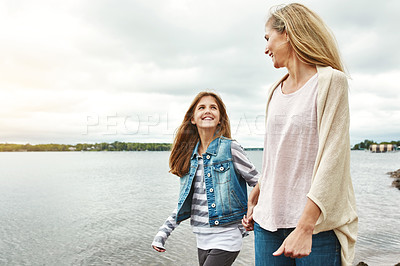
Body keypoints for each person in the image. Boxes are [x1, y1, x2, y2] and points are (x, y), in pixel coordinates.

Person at [242, 3, 358, 266]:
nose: (265, 48)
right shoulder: (274, 90)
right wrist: (258, 191)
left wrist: (305, 226)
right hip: (267, 223)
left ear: (288, 33)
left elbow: (333, 159)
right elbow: (277, 155)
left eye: (268, 38)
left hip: (316, 228)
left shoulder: (331, 82)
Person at [152, 91, 259, 266]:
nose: (207, 110)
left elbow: (259, 182)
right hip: (201, 237)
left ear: (220, 119)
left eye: (213, 107)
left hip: (227, 236)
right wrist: (163, 233)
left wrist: (252, 210)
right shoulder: (190, 158)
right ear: (193, 118)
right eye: (201, 107)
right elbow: (184, 201)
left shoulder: (230, 148)